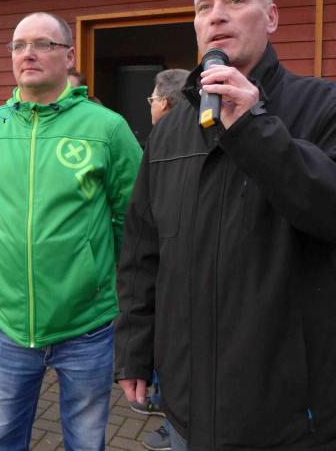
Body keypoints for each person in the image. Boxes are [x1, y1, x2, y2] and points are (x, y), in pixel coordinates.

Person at [114, 0, 336, 451]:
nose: (216, 15)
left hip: (287, 419)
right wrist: (134, 349)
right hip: (185, 411)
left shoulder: (328, 108)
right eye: (203, 6)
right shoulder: (172, 129)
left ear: (271, 17)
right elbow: (142, 250)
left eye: (235, 0)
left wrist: (255, 129)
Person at [0, 12, 142, 450]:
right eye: (19, 45)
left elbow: (133, 215)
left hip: (86, 324)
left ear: (69, 56)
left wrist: (92, 268)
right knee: (1, 439)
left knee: (85, 442)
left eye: (43, 44)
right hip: (9, 323)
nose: (28, 53)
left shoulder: (107, 128)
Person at [135, 67, 188, 451]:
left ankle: (173, 420)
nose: (150, 105)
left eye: (152, 99)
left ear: (165, 102)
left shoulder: (167, 146)